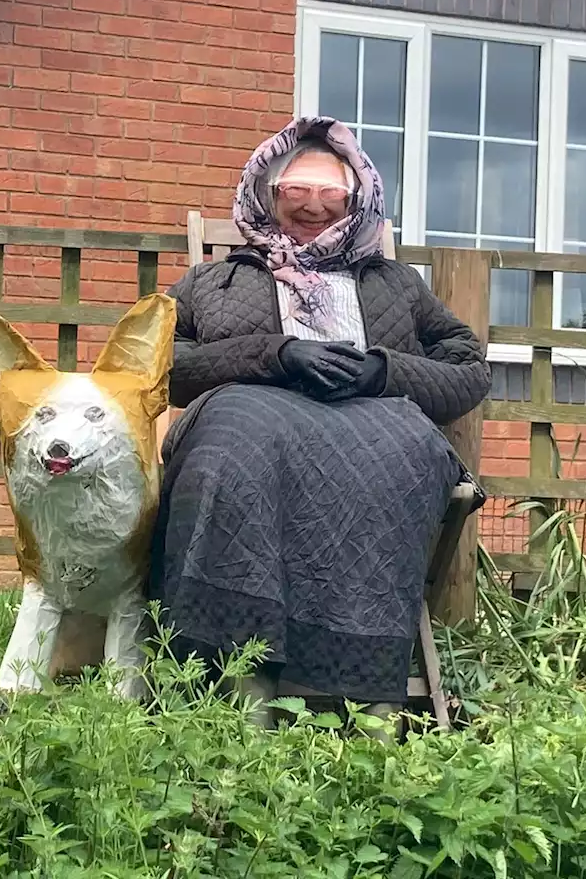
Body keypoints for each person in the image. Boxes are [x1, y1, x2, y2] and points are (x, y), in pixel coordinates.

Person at [148, 116, 491, 720]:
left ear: (358, 198)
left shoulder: (396, 284)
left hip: (370, 417)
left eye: (331, 192)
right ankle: (240, 689)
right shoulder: (215, 279)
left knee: (405, 452)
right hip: (250, 411)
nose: (313, 207)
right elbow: (153, 362)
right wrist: (273, 355)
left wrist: (382, 372)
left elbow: (467, 366)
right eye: (295, 192)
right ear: (267, 194)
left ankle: (369, 703)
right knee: (236, 441)